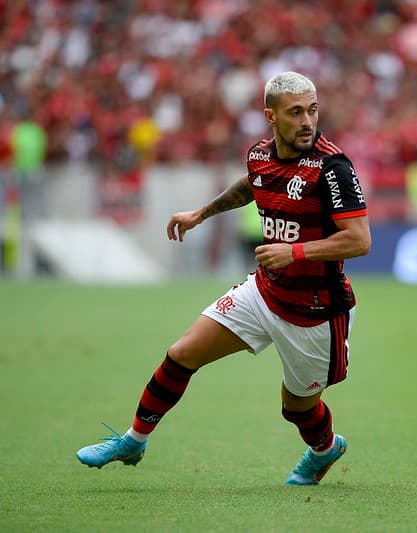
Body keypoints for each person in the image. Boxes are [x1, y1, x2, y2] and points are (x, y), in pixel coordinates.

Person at [76, 71, 371, 485]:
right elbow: (255, 183)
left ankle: (325, 449)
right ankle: (133, 440)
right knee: (182, 354)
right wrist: (201, 213)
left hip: (316, 311)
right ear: (271, 116)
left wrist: (295, 251)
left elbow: (359, 240)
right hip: (265, 292)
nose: (307, 121)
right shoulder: (259, 155)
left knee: (297, 409)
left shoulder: (333, 168)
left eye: (313, 110)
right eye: (296, 112)